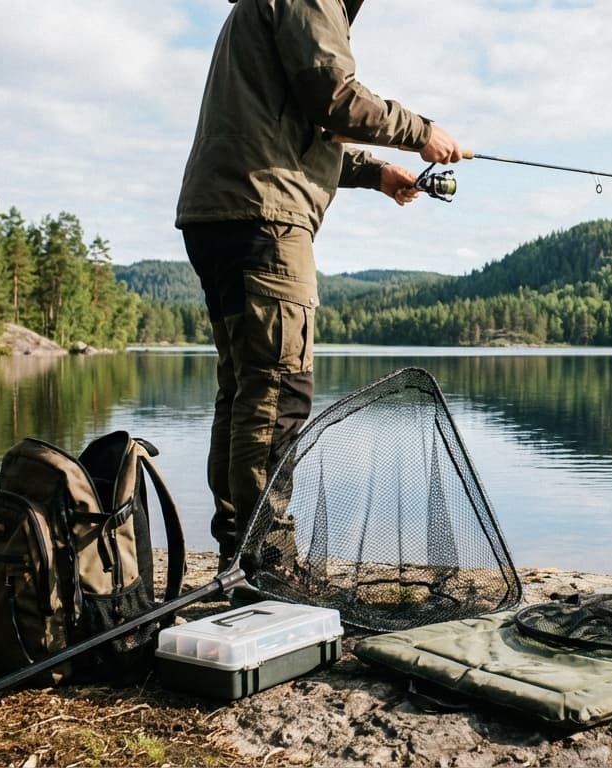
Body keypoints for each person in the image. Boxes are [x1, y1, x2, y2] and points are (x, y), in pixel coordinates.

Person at [175, 0, 463, 573]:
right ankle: (269, 563)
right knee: (279, 393)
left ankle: (241, 556)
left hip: (221, 214)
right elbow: (335, 96)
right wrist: (422, 133)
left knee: (243, 394)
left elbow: (300, 123)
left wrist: (377, 173)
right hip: (266, 216)